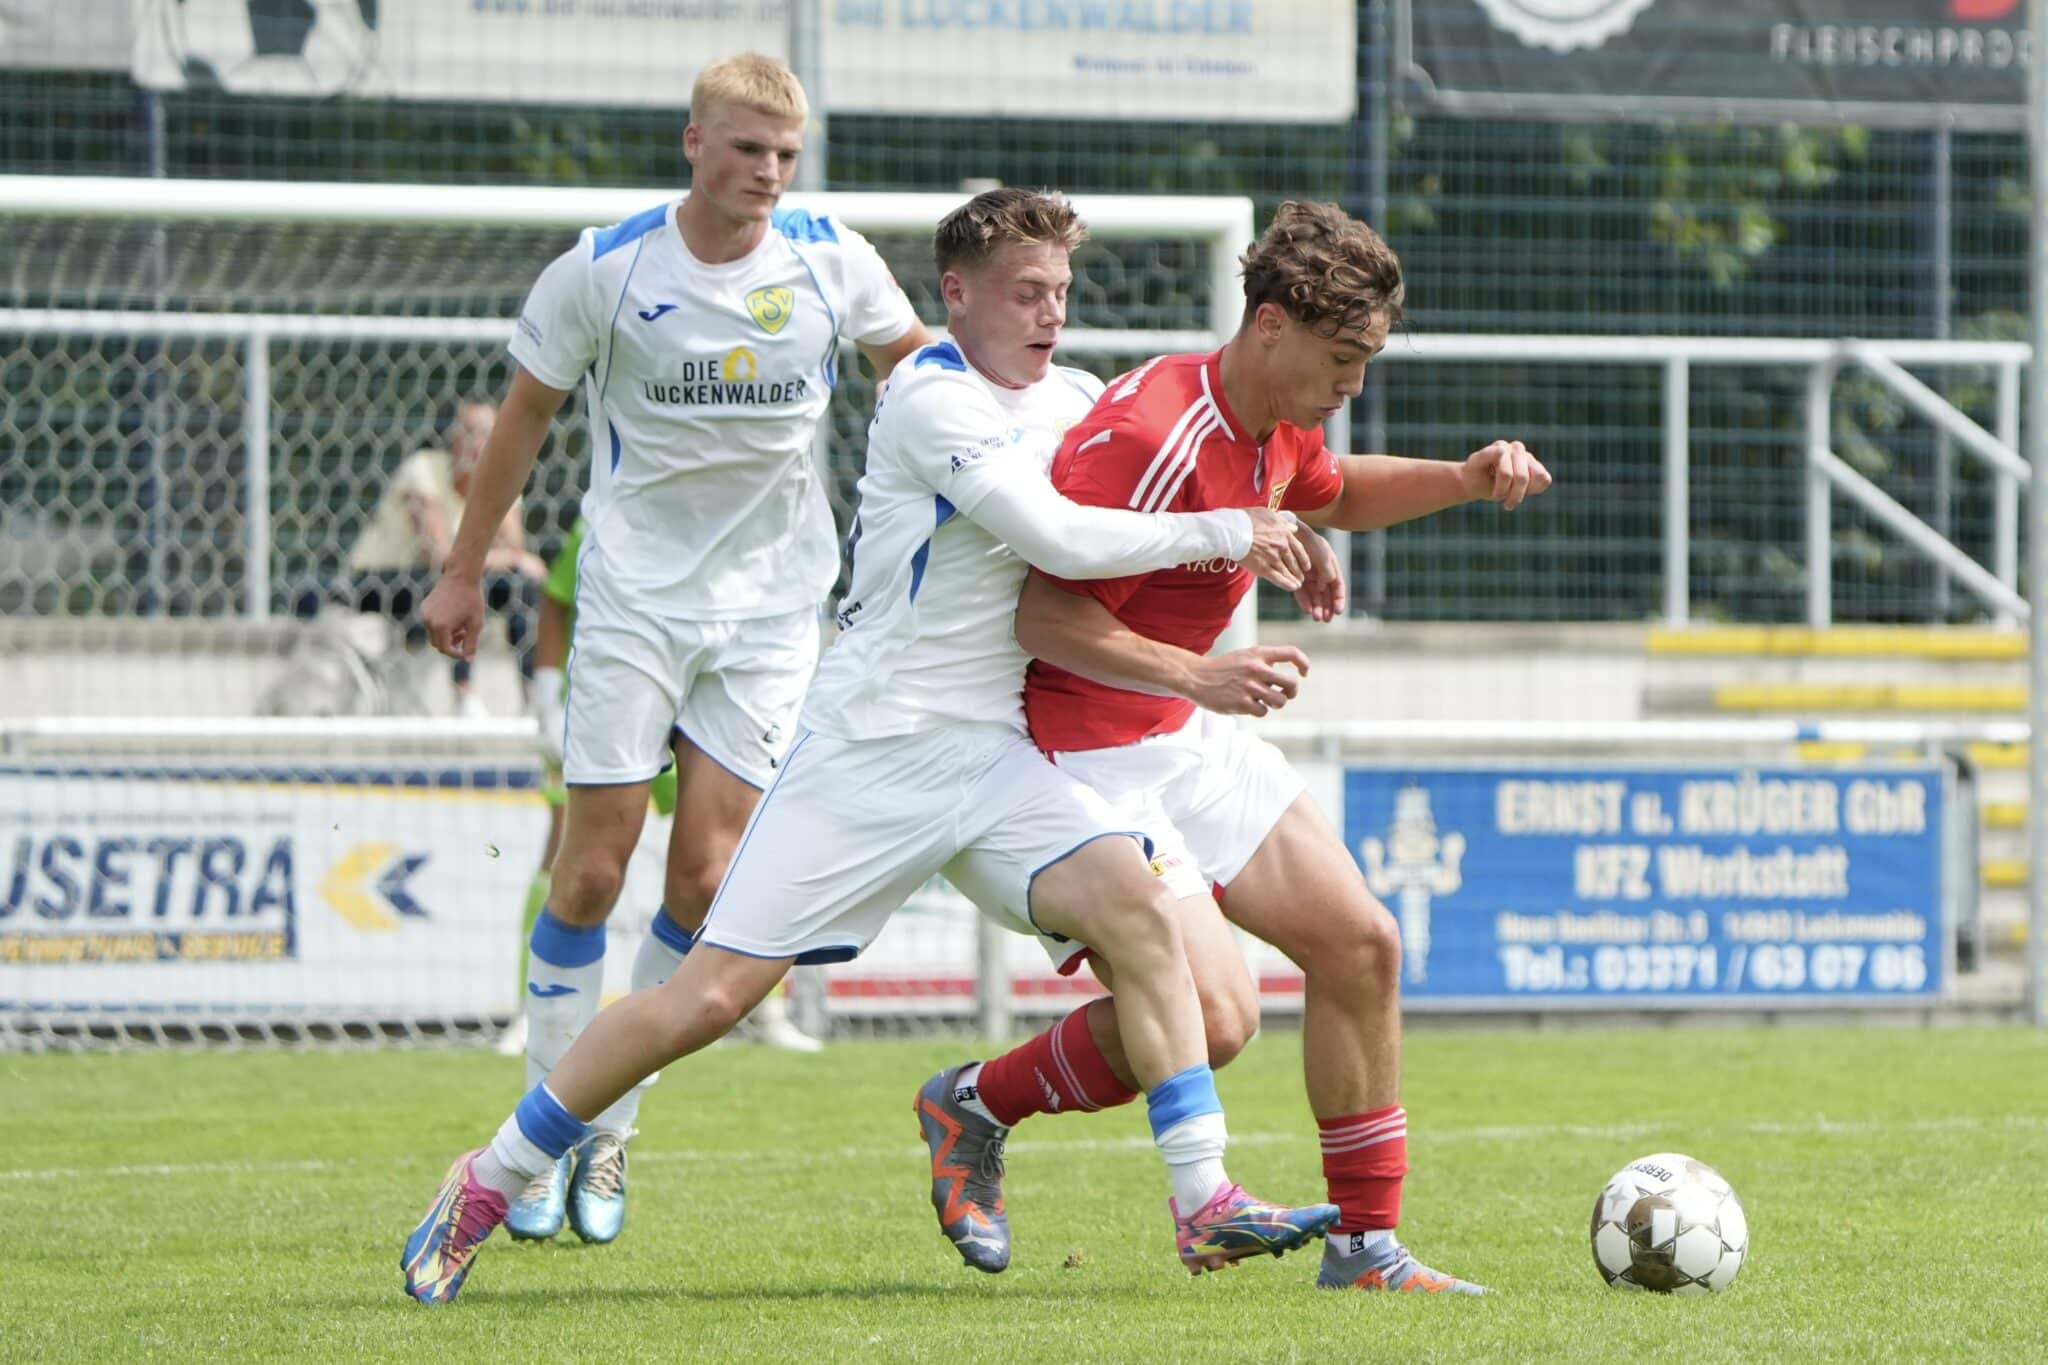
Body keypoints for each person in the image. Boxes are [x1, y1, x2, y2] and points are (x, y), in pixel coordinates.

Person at [401, 187, 1329, 1305]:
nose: (1049, 314)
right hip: (870, 754)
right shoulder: (929, 396)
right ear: (955, 294)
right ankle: (488, 1178)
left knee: (1137, 910)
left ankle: (1204, 1202)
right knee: (705, 1001)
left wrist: (1291, 530)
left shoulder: (1078, 397)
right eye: (1026, 292)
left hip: (993, 757)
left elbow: (1153, 499)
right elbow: (1061, 539)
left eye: (1062, 293)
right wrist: (1232, 531)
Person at [915, 200, 1552, 1296]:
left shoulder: (1269, 418)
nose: (1353, 380)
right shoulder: (1149, 437)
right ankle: (973, 1102)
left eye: (1367, 358)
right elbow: (1044, 620)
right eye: (1340, 357)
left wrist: (1459, 476)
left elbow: (1333, 488)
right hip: (1088, 755)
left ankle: (1362, 1250)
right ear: (1267, 325)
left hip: (1178, 731)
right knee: (1214, 1024)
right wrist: (1199, 673)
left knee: (1362, 945)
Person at [415, 51, 930, 1248]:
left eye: (784, 154)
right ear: (691, 142)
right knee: (591, 872)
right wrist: (460, 567)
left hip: (770, 612)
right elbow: (527, 420)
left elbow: (920, 380)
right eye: (744, 147)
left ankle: (601, 1130)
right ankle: (537, 1147)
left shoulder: (831, 258)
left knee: (706, 884)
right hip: (633, 599)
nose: (765, 172)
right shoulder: (603, 267)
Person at [498, 522, 818, 1083]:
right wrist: (547, 697)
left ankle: (766, 1009)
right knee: (578, 865)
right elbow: (556, 601)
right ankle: (534, 1016)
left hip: (709, 701)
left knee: (728, 867)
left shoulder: (769, 507)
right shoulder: (621, 504)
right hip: (619, 691)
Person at [344, 397, 543, 716]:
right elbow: (440, 555)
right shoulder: (423, 470)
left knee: (521, 588)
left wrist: (491, 488)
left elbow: (515, 548)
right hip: (384, 582)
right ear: (450, 435)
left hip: (446, 580)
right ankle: (464, 695)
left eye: (485, 432)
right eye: (466, 430)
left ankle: (534, 698)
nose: (473, 441)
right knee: (464, 579)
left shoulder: (502, 477)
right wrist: (509, 558)